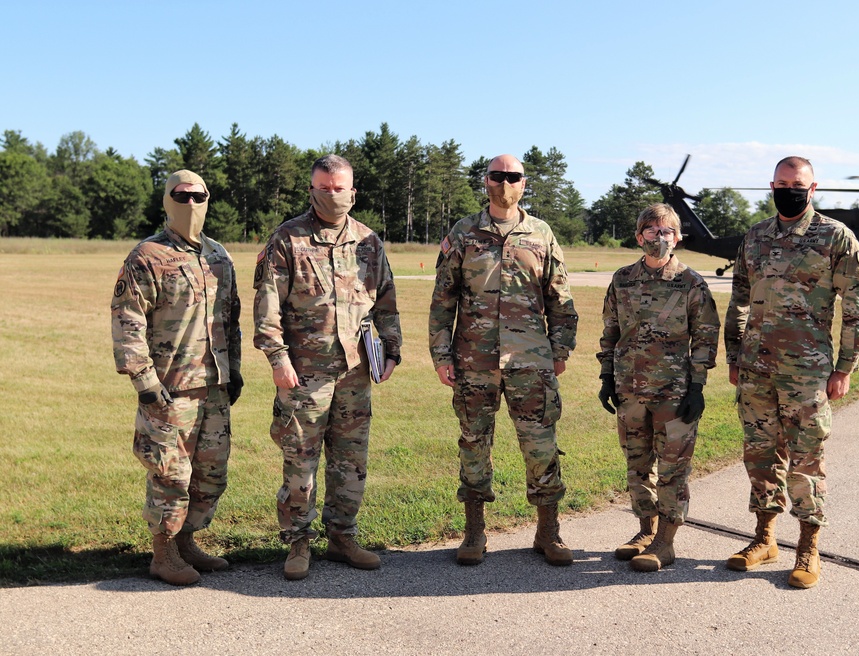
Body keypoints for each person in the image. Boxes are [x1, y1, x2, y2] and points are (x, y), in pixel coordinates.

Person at [724, 156, 859, 588]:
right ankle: (764, 538)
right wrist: (735, 356)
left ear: (813, 189)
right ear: (771, 185)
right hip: (756, 370)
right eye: (782, 182)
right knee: (759, 456)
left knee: (807, 461)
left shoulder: (835, 237)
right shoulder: (754, 238)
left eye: (798, 183)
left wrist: (845, 367)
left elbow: (858, 308)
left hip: (807, 373)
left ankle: (808, 546)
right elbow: (739, 300)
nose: (789, 188)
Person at [253, 154, 401, 580]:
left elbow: (385, 303)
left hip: (355, 372)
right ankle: (298, 542)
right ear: (311, 189)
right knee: (300, 462)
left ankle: (342, 537)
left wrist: (391, 351)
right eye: (324, 187)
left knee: (350, 462)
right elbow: (268, 309)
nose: (332, 194)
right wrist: (278, 359)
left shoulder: (369, 242)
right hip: (304, 373)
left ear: (353, 192)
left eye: (340, 188)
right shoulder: (288, 239)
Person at [429, 154, 579, 567]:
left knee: (541, 446)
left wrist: (559, 352)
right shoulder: (464, 233)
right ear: (486, 181)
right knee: (474, 444)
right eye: (497, 176)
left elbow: (561, 301)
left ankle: (548, 532)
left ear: (524, 184)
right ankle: (474, 533)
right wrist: (442, 355)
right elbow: (443, 301)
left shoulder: (541, 234)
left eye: (512, 177)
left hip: (531, 362)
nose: (504, 183)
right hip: (473, 361)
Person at [111, 170, 242, 586]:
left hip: (214, 385)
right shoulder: (146, 256)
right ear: (166, 200)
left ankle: (187, 541)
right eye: (181, 196)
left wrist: (233, 369)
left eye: (198, 196)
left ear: (207, 200)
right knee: (170, 474)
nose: (190, 204)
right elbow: (127, 319)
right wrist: (144, 380)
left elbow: (231, 317)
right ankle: (163, 552)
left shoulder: (218, 255)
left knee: (211, 473)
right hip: (169, 388)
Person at [597, 203, 720, 572]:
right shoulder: (622, 279)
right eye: (651, 231)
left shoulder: (691, 283)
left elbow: (706, 336)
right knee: (637, 465)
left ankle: (666, 541)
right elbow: (611, 330)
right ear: (639, 237)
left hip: (674, 392)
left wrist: (697, 386)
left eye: (666, 231)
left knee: (672, 469)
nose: (659, 237)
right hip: (630, 389)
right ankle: (645, 531)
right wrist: (607, 376)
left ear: (678, 238)